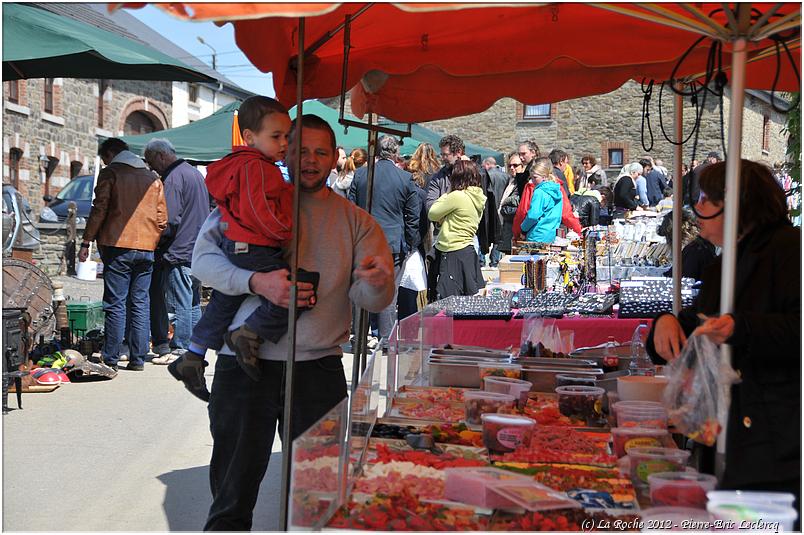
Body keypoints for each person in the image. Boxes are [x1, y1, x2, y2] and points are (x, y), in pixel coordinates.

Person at [193, 114, 395, 530]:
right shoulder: (252, 196)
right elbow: (203, 261)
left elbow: (371, 298)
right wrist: (256, 281)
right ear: (285, 151)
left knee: (317, 497)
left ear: (335, 157)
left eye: (320, 152)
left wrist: (377, 283)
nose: (310, 160)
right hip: (243, 367)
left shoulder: (357, 221)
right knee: (231, 496)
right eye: (300, 149)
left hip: (316, 371)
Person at [646, 159, 800, 524]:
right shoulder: (722, 266)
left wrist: (740, 328)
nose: (697, 208)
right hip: (729, 434)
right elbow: (697, 324)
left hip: (781, 440)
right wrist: (664, 323)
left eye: (706, 198)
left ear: (738, 204)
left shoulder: (791, 250)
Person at [176, 96, 300, 388]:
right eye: (276, 136)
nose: (284, 143)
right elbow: (259, 210)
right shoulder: (256, 167)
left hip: (240, 245)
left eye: (287, 137)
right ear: (249, 136)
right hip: (255, 245)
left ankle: (193, 355)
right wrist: (285, 229)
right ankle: (250, 333)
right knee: (294, 290)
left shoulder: (249, 164)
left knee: (223, 299)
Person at [79, 138, 167, 372]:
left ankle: (111, 357)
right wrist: (151, 240)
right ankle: (138, 359)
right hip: (146, 248)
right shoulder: (153, 178)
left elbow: (99, 210)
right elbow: (162, 219)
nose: (104, 162)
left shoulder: (111, 174)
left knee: (116, 303)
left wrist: (86, 240)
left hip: (118, 246)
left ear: (110, 153)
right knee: (140, 302)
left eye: (104, 158)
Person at [142, 138, 210, 365]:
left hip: (180, 250)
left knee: (181, 301)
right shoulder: (194, 174)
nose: (152, 168)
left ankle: (181, 348)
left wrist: (155, 242)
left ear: (162, 156)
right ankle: (192, 346)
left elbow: (169, 220)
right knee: (191, 301)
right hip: (197, 249)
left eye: (152, 162)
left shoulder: (174, 178)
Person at [348, 135, 420, 347]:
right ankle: (387, 339)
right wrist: (410, 243)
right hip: (392, 242)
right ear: (395, 153)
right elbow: (412, 217)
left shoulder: (361, 175)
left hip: (365, 241)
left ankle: (359, 337)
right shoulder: (404, 178)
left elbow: (351, 211)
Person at [427, 160, 486, 301]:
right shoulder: (478, 196)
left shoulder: (457, 196)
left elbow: (432, 213)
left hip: (452, 250)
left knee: (448, 301)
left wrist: (447, 193)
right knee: (466, 300)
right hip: (467, 250)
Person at [398, 142, 436, 320]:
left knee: (408, 274)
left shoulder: (410, 173)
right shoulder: (436, 174)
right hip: (428, 225)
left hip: (412, 226)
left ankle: (409, 311)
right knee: (422, 271)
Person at [656, 206, 717, 281]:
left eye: (668, 237)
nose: (667, 241)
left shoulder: (694, 251)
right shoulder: (700, 247)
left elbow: (684, 281)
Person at [512, 157, 563, 243]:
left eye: (535, 177)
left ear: (544, 177)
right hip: (551, 234)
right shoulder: (557, 191)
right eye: (531, 178)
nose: (533, 181)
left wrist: (523, 229)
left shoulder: (540, 192)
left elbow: (533, 215)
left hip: (536, 235)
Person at [482, 156, 508, 267]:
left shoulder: (486, 176)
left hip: (488, 208)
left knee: (483, 234)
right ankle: (494, 261)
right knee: (498, 236)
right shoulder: (506, 176)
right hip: (501, 208)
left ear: (487, 164)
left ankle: (481, 261)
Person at [497, 153, 522, 255]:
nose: (512, 168)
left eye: (515, 165)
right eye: (510, 165)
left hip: (516, 232)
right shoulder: (510, 181)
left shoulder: (523, 183)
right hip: (507, 231)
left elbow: (522, 208)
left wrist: (505, 208)